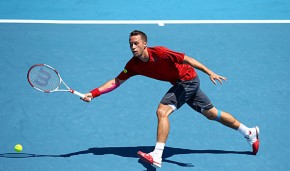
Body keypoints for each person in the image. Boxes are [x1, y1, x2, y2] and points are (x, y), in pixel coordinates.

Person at [81, 30, 260, 168]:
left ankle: (157, 155)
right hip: (185, 83)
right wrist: (94, 93)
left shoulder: (160, 52)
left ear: (145, 44)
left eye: (136, 43)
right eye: (130, 44)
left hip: (188, 80)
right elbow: (116, 81)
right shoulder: (133, 65)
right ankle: (248, 132)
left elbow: (188, 59)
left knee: (162, 111)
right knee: (212, 114)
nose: (133, 47)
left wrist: (210, 72)